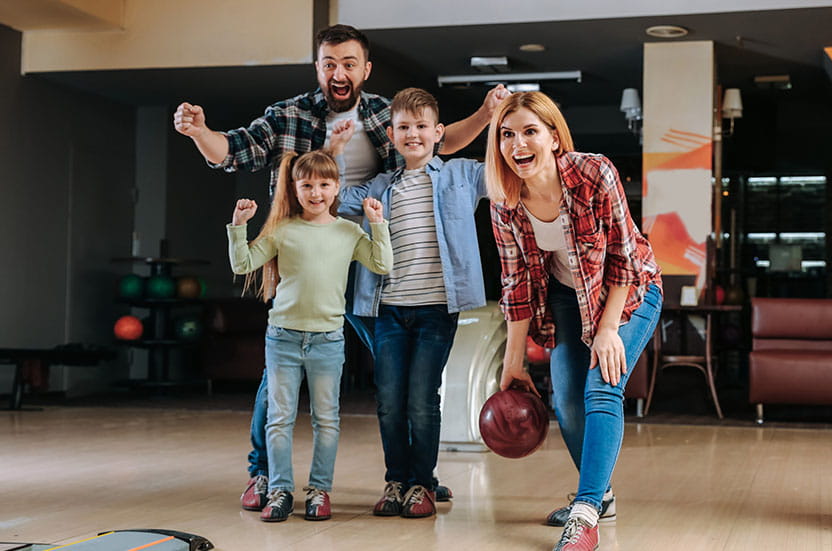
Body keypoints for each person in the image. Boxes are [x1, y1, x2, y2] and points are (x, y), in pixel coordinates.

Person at [172, 23, 508, 511]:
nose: (339, 72)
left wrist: (485, 112)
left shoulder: (383, 115)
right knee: (282, 375)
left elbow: (441, 142)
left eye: (349, 63)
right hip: (308, 256)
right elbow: (233, 151)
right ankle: (262, 474)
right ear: (318, 67)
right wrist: (200, 131)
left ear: (365, 69)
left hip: (371, 260)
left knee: (405, 377)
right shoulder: (287, 115)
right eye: (329, 64)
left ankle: (418, 476)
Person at [485, 92, 663, 551]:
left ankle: (584, 515)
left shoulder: (593, 172)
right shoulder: (504, 201)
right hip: (566, 296)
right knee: (565, 400)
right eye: (507, 134)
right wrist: (513, 361)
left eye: (530, 131)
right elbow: (517, 283)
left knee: (602, 384)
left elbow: (624, 258)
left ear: (553, 136)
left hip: (631, 289)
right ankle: (600, 496)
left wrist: (607, 331)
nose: (517, 144)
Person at [332, 87, 488, 519]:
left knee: (422, 398)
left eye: (422, 127)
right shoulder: (378, 188)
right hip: (388, 310)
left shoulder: (461, 175)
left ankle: (422, 483)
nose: (413, 134)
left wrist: (493, 116)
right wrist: (335, 149)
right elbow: (328, 198)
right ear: (391, 134)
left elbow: (506, 172)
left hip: (437, 309)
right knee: (389, 400)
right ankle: (396, 480)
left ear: (439, 133)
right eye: (404, 127)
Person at [227, 149, 392, 522]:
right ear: (295, 189)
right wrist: (239, 226)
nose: (315, 192)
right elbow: (242, 263)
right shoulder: (282, 230)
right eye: (307, 185)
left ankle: (320, 490)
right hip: (283, 338)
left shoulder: (349, 231)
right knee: (280, 418)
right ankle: (280, 490)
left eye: (324, 184)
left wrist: (377, 223)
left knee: (327, 420)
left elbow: (382, 264)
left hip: (327, 341)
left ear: (336, 189)